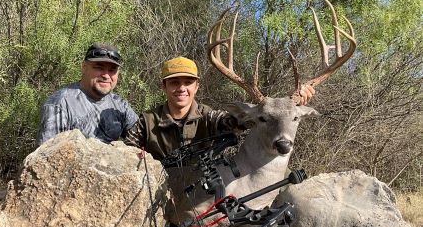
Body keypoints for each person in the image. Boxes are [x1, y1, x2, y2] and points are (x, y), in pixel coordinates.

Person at [123, 56, 315, 161]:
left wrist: (290, 104)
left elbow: (243, 121)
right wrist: (135, 158)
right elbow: (123, 154)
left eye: (188, 82)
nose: (181, 88)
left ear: (196, 87)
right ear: (163, 86)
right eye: (174, 82)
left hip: (200, 195)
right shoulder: (146, 122)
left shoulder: (210, 117)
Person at [36, 43, 138, 146]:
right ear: (84, 67)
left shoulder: (120, 105)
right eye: (99, 68)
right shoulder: (60, 103)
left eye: (112, 70)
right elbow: (47, 154)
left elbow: (141, 140)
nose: (106, 76)